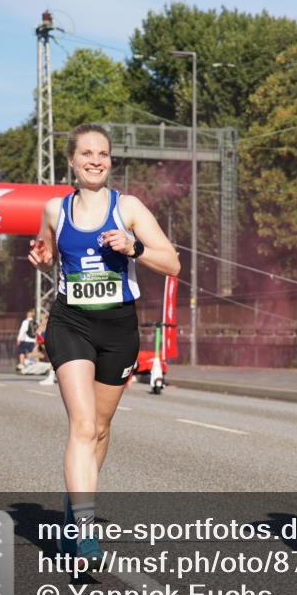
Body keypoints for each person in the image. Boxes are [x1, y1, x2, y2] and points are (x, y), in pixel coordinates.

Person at [28, 123, 180, 560]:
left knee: (100, 428)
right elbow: (49, 261)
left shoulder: (128, 207)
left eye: (103, 154)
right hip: (70, 322)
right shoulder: (55, 211)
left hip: (118, 328)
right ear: (71, 162)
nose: (95, 160)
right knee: (82, 424)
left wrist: (133, 248)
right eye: (87, 153)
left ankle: (74, 502)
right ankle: (85, 524)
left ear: (110, 161)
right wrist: (40, 259)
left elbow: (172, 264)